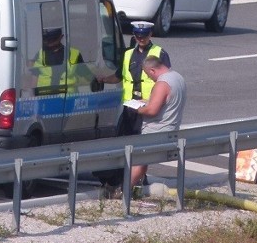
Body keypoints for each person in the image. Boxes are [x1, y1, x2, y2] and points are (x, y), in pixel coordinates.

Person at [94, 21, 170, 188]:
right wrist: (104, 79)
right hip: (130, 108)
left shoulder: (159, 53)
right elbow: (119, 76)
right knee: (124, 143)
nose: (140, 38)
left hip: (148, 108)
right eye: (137, 36)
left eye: (144, 35)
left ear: (150, 35)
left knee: (142, 145)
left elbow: (165, 79)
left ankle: (140, 179)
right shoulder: (128, 54)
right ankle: (123, 178)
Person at [131, 55, 187, 187]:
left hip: (156, 131)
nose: (149, 78)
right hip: (171, 129)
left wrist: (136, 109)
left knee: (138, 161)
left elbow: (152, 111)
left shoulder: (162, 83)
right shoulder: (178, 77)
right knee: (143, 161)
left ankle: (125, 191)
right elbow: (167, 102)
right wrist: (145, 101)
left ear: (152, 70)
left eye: (147, 74)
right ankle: (136, 187)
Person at [32, 27, 84, 95]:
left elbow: (85, 74)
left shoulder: (73, 53)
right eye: (47, 39)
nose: (49, 42)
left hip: (69, 98)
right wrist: (33, 97)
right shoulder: (40, 54)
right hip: (46, 98)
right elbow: (34, 78)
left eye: (53, 39)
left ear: (61, 37)